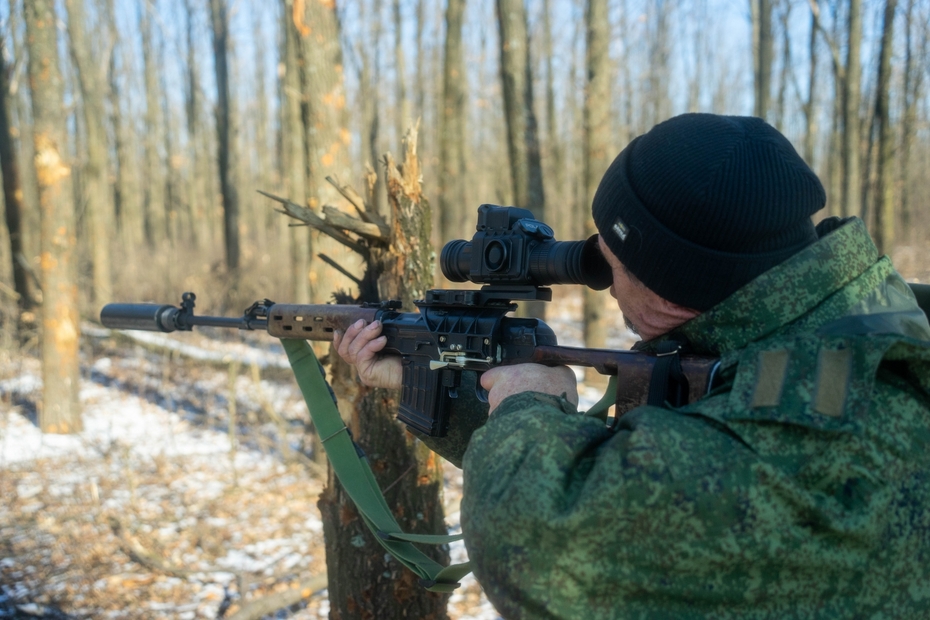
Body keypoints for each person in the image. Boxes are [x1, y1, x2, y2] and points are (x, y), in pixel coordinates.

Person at [333, 114, 930, 618]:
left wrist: (527, 404)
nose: (603, 284)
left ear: (674, 290)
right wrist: (432, 381)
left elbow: (539, 540)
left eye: (611, 262)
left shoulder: (828, 422)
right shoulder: (825, 331)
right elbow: (654, 480)